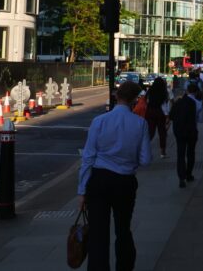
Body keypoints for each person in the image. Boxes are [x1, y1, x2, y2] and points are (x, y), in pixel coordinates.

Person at [77, 81, 152, 271]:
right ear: (135, 100)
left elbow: (88, 157)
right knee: (123, 230)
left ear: (116, 96)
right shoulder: (140, 123)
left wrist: (82, 190)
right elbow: (145, 160)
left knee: (98, 233)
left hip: (99, 179)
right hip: (125, 181)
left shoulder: (99, 121)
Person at [171, 81, 203, 188]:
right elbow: (200, 119)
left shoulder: (178, 101)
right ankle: (189, 174)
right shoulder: (198, 103)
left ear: (187, 91)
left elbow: (171, 116)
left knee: (180, 154)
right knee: (190, 153)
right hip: (192, 131)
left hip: (179, 131)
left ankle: (181, 177)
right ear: (196, 92)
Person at [144, 78, 171, 158]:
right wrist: (167, 116)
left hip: (150, 112)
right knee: (162, 133)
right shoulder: (164, 91)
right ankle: (163, 153)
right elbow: (164, 105)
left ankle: (144, 150)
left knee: (150, 132)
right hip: (160, 113)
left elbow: (146, 101)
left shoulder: (150, 91)